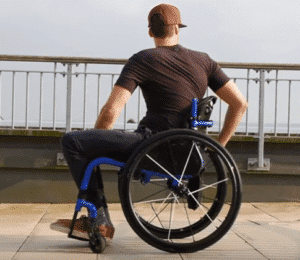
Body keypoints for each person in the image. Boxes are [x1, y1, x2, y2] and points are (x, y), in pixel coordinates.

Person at [50, 3, 248, 241]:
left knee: (73, 142)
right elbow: (240, 104)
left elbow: (111, 111)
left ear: (150, 32)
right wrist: (218, 148)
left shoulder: (143, 59)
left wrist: (98, 143)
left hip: (150, 147)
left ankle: (98, 218)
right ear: (178, 28)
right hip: (189, 154)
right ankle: (96, 219)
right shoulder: (204, 61)